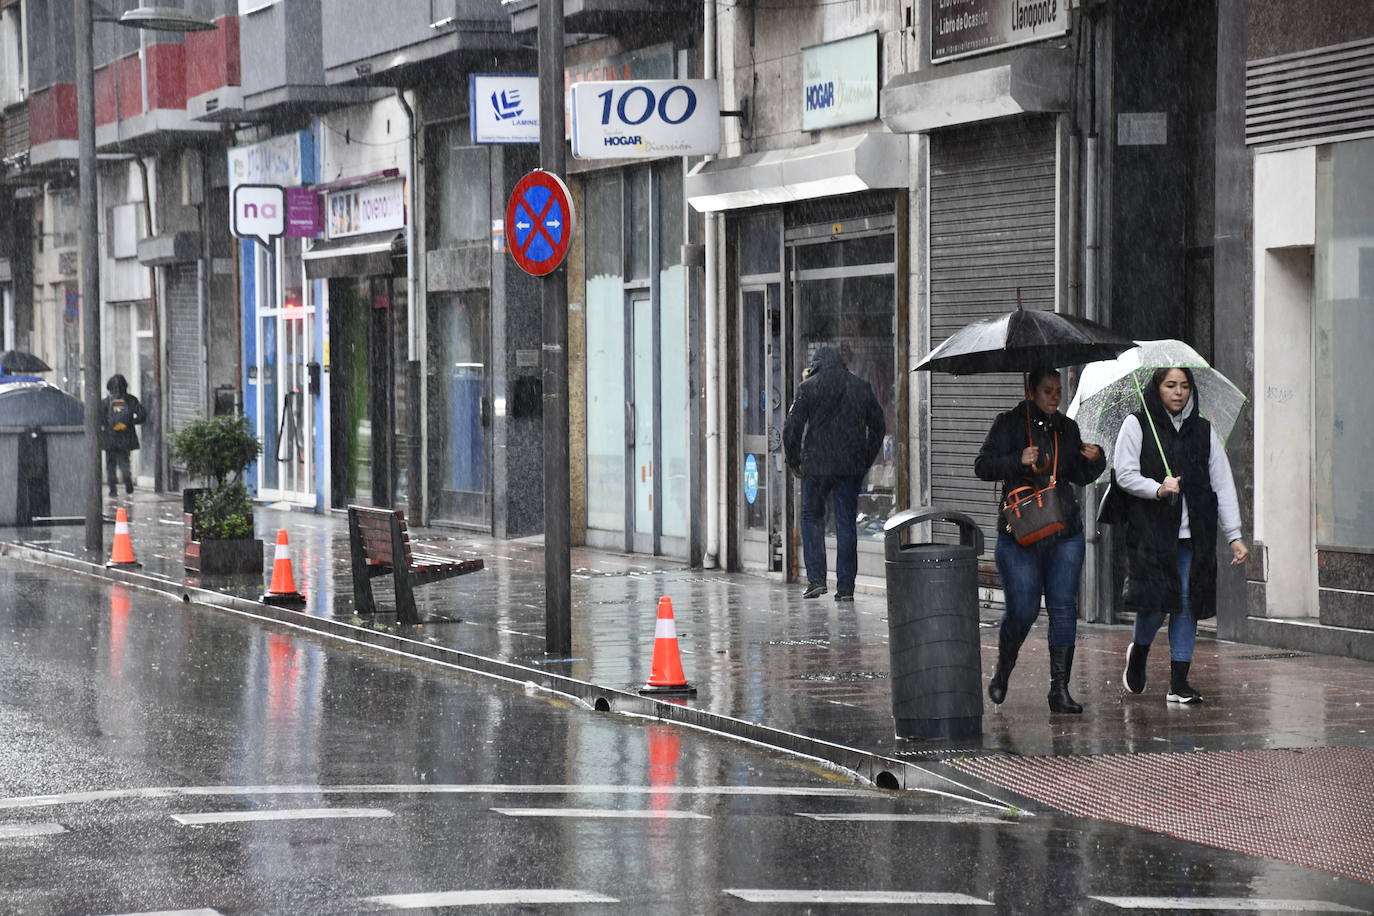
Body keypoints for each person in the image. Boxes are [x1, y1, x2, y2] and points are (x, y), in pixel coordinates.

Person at [974, 366, 1105, 713]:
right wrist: (1017, 459)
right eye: (1047, 391)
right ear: (1031, 391)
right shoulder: (1009, 423)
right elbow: (982, 466)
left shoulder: (1068, 428)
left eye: (1058, 391)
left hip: (1064, 531)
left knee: (1064, 608)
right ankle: (1003, 670)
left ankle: (1059, 689)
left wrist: (1096, 461)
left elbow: (1079, 474)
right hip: (1020, 534)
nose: (1054, 397)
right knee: (1024, 609)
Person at [1115, 366, 1248, 704]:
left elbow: (1222, 484)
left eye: (1185, 386)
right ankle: (1140, 652)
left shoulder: (1204, 431)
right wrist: (1157, 488)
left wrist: (1234, 535)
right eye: (1170, 385)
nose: (1178, 392)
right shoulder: (1137, 424)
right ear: (1157, 388)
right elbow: (1124, 475)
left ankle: (1179, 681)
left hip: (1193, 535)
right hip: (1152, 533)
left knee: (1187, 602)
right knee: (1156, 604)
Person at [783, 346, 885, 601]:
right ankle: (845, 588)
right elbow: (879, 427)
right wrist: (865, 459)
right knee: (845, 525)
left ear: (816, 364)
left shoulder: (808, 388)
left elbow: (791, 428)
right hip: (850, 467)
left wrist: (794, 461)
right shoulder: (861, 387)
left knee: (811, 518)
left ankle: (817, 579)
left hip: (816, 467)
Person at [98, 374, 146, 498]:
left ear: (109, 387)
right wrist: (129, 423)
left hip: (110, 438)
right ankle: (128, 482)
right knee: (124, 462)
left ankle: (112, 490)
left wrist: (109, 426)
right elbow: (142, 416)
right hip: (126, 437)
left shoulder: (105, 402)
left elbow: (99, 420)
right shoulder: (131, 400)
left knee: (110, 465)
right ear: (125, 386)